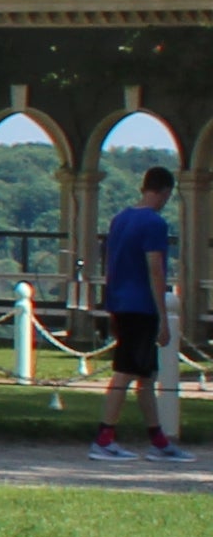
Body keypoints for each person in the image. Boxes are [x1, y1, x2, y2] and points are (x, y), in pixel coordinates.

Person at [98, 161, 180, 464]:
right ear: (164, 191)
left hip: (120, 301)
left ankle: (158, 440)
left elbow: (111, 265)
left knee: (146, 374)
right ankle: (104, 437)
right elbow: (155, 270)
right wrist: (162, 316)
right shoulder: (154, 224)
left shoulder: (119, 220)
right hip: (141, 305)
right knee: (127, 371)